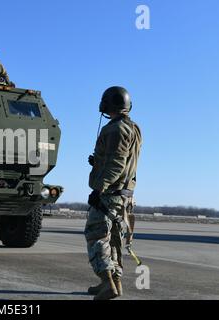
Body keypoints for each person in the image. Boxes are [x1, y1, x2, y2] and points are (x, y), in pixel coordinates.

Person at [85, 86, 142, 300]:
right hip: (125, 194)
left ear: (108, 104)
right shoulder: (134, 128)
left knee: (97, 236)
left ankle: (107, 283)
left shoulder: (114, 129)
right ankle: (115, 283)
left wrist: (99, 189)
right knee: (115, 240)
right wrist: (99, 161)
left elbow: (117, 164)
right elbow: (124, 160)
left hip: (110, 194)